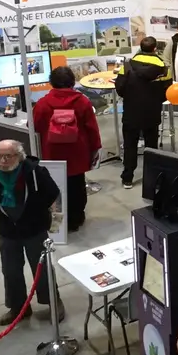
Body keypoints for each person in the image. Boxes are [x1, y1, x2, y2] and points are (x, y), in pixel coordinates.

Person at [0, 140, 61, 325]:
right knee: (10, 271)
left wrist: (53, 221)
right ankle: (19, 307)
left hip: (34, 229)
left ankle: (54, 302)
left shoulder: (35, 172)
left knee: (42, 270)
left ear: (19, 156)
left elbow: (53, 194)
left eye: (7, 156)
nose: (2, 160)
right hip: (8, 232)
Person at [31, 66, 101, 232]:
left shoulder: (42, 103)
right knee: (77, 185)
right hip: (78, 152)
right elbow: (92, 128)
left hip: (52, 153)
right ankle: (76, 219)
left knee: (54, 187)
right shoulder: (82, 101)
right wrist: (95, 149)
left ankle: (58, 222)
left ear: (51, 82)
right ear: (72, 81)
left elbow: (35, 126)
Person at [114, 36, 172, 190]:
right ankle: (152, 178)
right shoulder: (163, 68)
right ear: (154, 49)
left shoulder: (126, 66)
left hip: (131, 112)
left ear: (141, 48)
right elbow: (168, 91)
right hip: (152, 113)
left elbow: (119, 88)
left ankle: (128, 178)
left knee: (130, 145)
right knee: (151, 146)